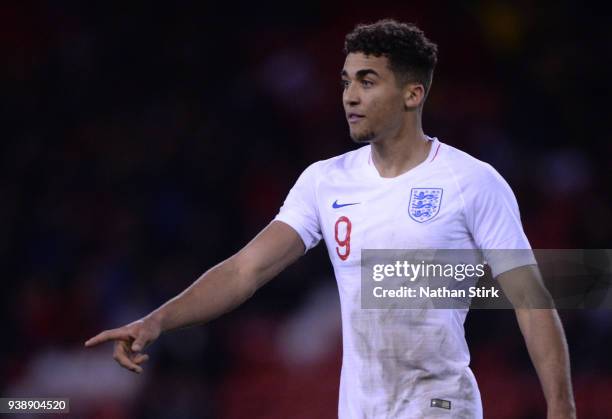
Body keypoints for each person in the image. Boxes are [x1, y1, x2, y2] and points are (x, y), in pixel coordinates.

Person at [85, 19, 576, 418]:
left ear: (412, 94)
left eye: (367, 82)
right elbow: (244, 270)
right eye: (345, 82)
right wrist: (157, 320)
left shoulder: (472, 181)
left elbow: (531, 299)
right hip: (359, 409)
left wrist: (562, 407)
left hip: (438, 404)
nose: (349, 96)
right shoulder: (326, 181)